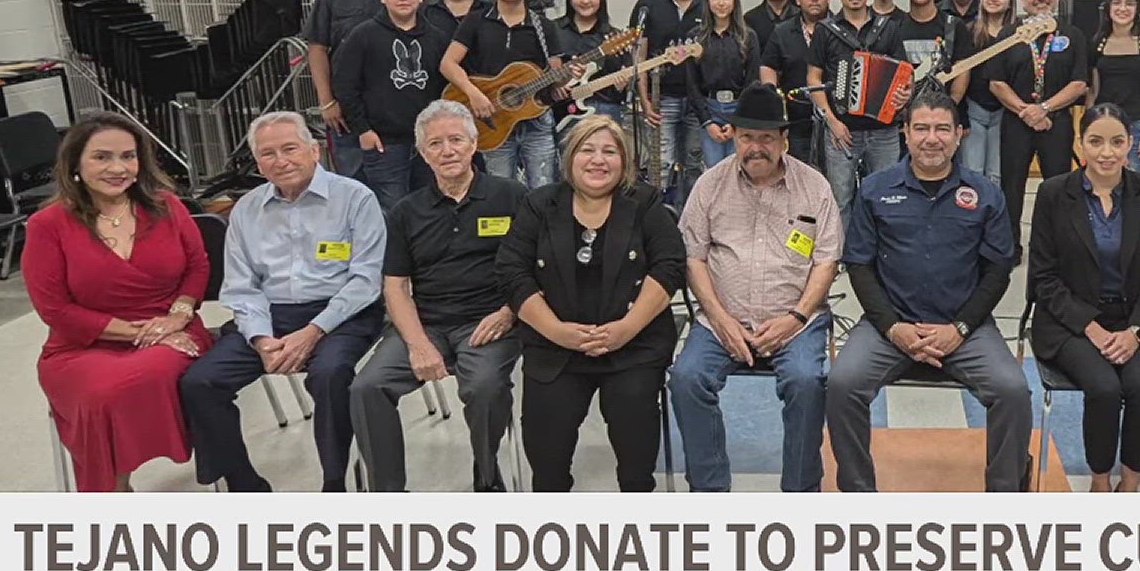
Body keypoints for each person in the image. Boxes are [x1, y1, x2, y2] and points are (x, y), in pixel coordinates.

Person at [826, 86, 1028, 492]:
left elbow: (997, 272)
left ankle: (1005, 496)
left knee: (1013, 391)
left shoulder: (986, 195)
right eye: (921, 128)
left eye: (941, 129)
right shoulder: (875, 189)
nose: (931, 138)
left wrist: (962, 328)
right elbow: (859, 267)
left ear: (959, 135)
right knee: (841, 384)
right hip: (889, 326)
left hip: (965, 328)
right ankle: (858, 495)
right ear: (904, 133)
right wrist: (892, 328)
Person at [179, 112, 385, 491]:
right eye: (268, 154)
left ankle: (335, 483)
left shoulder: (355, 198)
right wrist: (261, 338)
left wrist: (312, 332)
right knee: (200, 382)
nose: (281, 160)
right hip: (269, 317)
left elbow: (366, 279)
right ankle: (244, 483)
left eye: (290, 148)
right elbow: (242, 286)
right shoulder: (245, 210)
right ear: (257, 163)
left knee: (330, 374)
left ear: (314, 150)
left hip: (341, 313)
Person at [497, 114, 686, 492]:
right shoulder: (538, 204)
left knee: (636, 462)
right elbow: (511, 272)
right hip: (555, 348)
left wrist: (627, 328)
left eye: (610, 151)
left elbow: (670, 267)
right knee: (547, 464)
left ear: (625, 162)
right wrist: (556, 331)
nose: (598, 160)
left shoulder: (645, 203)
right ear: (569, 158)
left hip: (633, 347)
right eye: (587, 150)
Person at [22, 113, 211, 491]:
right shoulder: (47, 225)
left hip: (172, 327)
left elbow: (197, 266)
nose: (118, 168)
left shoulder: (167, 206)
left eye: (128, 156)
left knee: (132, 381)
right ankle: (113, 495)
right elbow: (55, 310)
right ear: (75, 164)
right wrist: (139, 334)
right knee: (98, 393)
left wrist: (178, 314)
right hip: (83, 343)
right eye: (102, 157)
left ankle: (107, 494)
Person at [670, 83, 840, 492]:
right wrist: (719, 319)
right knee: (687, 379)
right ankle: (710, 493)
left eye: (766, 138)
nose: (755, 147)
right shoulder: (709, 186)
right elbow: (693, 257)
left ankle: (800, 493)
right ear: (733, 137)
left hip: (797, 319)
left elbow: (827, 260)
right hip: (721, 319)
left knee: (804, 382)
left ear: (784, 140)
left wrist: (796, 317)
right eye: (746, 137)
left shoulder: (814, 186)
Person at [349, 101, 524, 492]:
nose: (447, 151)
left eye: (456, 140)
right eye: (435, 144)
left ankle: (487, 476)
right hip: (425, 323)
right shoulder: (406, 211)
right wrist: (418, 344)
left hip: (489, 320)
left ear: (474, 143)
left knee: (484, 388)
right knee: (367, 387)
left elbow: (536, 267)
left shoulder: (511, 196)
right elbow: (395, 285)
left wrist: (509, 312)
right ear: (423, 154)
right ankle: (387, 492)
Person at [1027, 105, 1140, 493]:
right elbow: (1044, 278)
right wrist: (1090, 329)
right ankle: (1099, 480)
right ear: (1080, 145)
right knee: (1104, 388)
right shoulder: (1054, 194)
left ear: (1131, 145)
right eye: (1095, 141)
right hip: (1071, 324)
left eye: (1116, 142)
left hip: (1136, 320)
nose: (1106, 152)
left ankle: (1129, 485)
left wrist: (1136, 332)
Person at [440, 0, 568, 188]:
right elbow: (448, 64)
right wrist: (473, 93)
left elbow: (556, 76)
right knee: (499, 190)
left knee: (544, 188)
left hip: (536, 121)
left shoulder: (545, 26)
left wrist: (569, 76)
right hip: (492, 120)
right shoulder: (476, 20)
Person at [331, 0, 451, 209]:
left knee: (432, 206)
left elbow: (447, 88)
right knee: (392, 209)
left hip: (429, 141)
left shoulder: (438, 38)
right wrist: (362, 129)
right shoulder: (362, 35)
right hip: (383, 142)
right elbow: (345, 86)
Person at [990, 0, 1089, 261]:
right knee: (1012, 185)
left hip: (1055, 122)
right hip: (1016, 121)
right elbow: (996, 82)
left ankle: (1056, 248)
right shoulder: (1009, 35)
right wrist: (1026, 111)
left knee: (1058, 187)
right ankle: (1010, 248)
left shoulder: (1072, 35)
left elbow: (1079, 83)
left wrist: (1044, 109)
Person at [806, 0, 912, 213]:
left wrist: (905, 95)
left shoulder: (889, 28)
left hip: (884, 130)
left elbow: (904, 75)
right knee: (840, 199)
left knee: (886, 198)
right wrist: (831, 120)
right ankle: (842, 252)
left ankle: (882, 251)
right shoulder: (825, 30)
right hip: (841, 130)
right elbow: (813, 79)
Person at [306, 0, 394, 180]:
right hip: (346, 107)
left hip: (396, 107)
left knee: (396, 185)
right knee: (352, 179)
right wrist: (327, 101)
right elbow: (317, 48)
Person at [629, 0, 706, 203]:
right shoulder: (647, 5)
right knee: (660, 167)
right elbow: (638, 57)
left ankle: (690, 228)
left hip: (698, 102)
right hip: (662, 102)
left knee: (695, 168)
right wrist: (644, 100)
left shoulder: (708, 6)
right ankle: (659, 224)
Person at [687, 0, 761, 170]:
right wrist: (707, 122)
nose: (721, 3)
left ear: (735, 0)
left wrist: (738, 120)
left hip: (738, 108)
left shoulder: (748, 36)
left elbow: (753, 81)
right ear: (707, 1)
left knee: (740, 168)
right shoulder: (695, 37)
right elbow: (692, 84)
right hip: (710, 109)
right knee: (714, 170)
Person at [1087, 0, 1140, 171]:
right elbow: (1093, 91)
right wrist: (1086, 128)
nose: (1123, 8)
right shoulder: (1098, 42)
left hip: (1135, 125)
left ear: (1138, 9)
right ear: (1109, 7)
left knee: (1129, 182)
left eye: (1129, 3)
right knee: (1102, 180)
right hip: (1103, 123)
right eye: (1117, 2)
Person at [759, 0, 831, 168]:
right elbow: (768, 66)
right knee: (799, 174)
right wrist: (772, 94)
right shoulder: (782, 31)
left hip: (835, 119)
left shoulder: (841, 30)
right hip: (796, 119)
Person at [954, 0, 1015, 186]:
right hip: (974, 109)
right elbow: (960, 72)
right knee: (972, 171)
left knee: (996, 173)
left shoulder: (1018, 34)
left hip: (1006, 111)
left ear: (1010, 2)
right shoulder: (968, 30)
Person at [554, 0, 630, 125]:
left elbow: (624, 81)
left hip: (605, 109)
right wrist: (554, 86)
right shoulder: (553, 30)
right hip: (561, 112)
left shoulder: (614, 37)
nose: (585, 0)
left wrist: (623, 85)